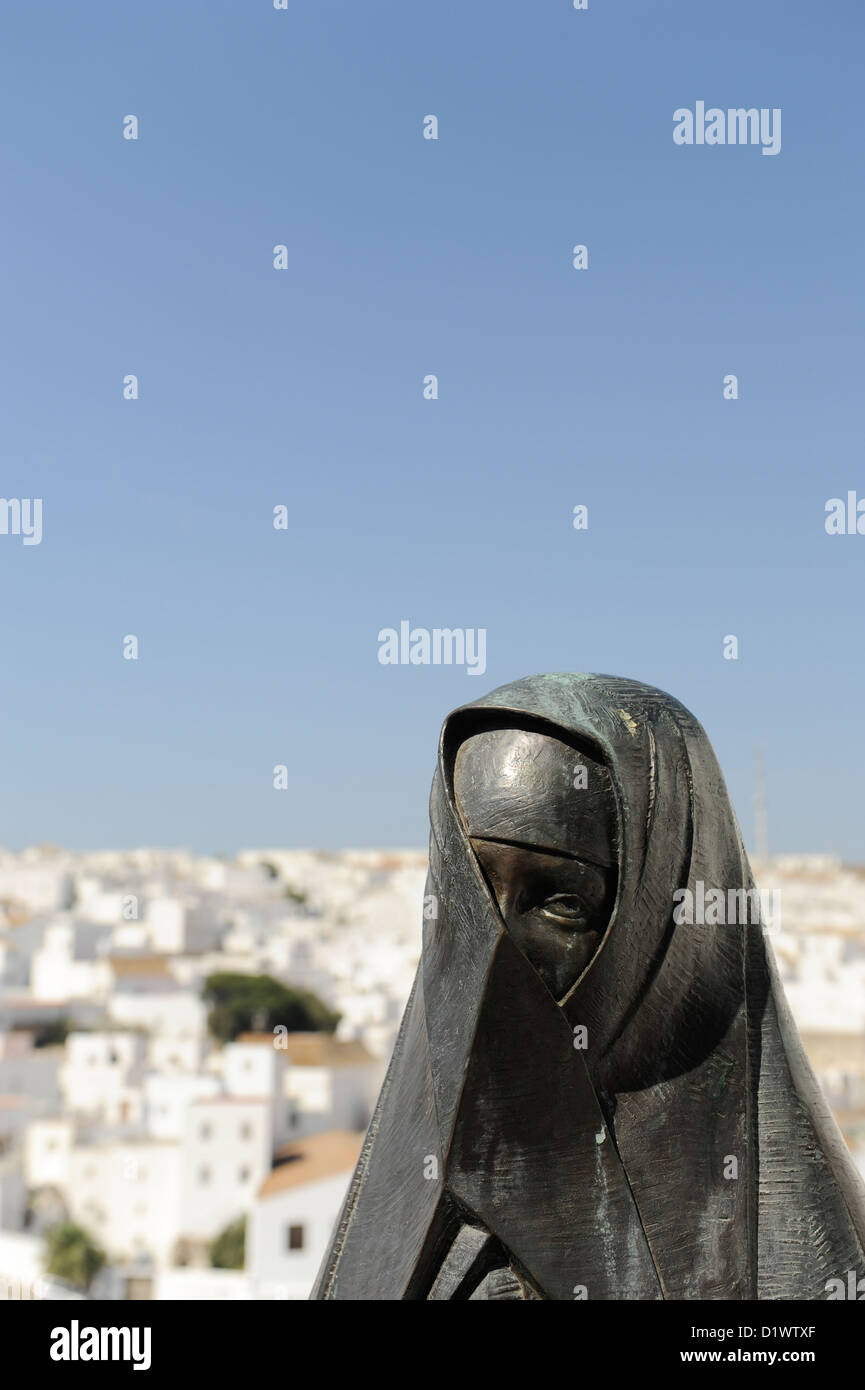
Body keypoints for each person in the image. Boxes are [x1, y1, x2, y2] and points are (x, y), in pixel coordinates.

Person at [312, 673, 865, 1300]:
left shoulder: (808, 1273)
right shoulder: (413, 1209)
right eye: (471, 894)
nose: (499, 949)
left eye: (560, 903)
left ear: (658, 927)